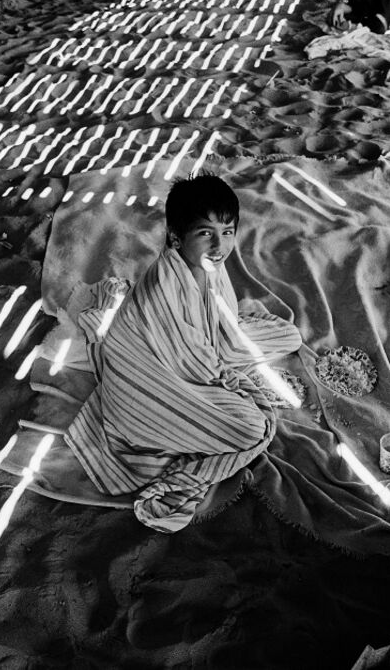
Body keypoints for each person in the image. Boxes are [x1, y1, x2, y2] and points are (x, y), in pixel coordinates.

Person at [64, 172, 302, 533]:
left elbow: (217, 328)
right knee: (254, 428)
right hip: (143, 395)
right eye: (205, 233)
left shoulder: (209, 268)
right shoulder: (167, 285)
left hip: (186, 369)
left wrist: (225, 368)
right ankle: (174, 478)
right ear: (176, 237)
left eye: (227, 231)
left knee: (287, 335)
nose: (219, 245)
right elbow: (193, 367)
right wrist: (237, 387)